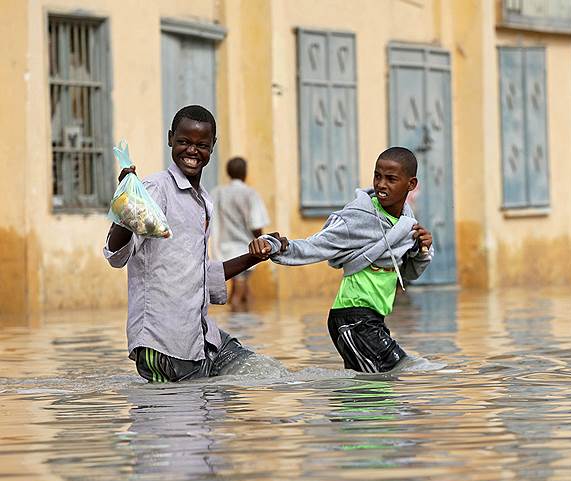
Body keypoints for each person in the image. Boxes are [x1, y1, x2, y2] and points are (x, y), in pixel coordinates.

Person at [103, 105, 279, 382]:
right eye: (184, 142)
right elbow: (115, 255)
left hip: (201, 338)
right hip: (162, 345)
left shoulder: (204, 200)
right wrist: (126, 211)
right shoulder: (155, 190)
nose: (192, 151)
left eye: (201, 145)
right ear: (171, 138)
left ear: (213, 147)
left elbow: (199, 275)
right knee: (180, 417)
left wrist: (256, 256)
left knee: (264, 375)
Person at [249, 147, 433, 373]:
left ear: (411, 184)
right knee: (403, 369)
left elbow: (407, 273)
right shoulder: (357, 217)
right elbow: (316, 245)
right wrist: (274, 246)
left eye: (391, 179)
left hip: (373, 318)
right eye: (377, 176)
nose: (381, 184)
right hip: (353, 317)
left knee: (371, 393)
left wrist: (423, 250)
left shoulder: (407, 222)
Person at [211, 157, 270, 312]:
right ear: (244, 172)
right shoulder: (250, 194)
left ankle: (246, 323)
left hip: (224, 248)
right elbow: (256, 224)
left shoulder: (218, 193)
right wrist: (263, 242)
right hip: (246, 249)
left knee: (244, 290)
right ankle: (239, 327)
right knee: (238, 293)